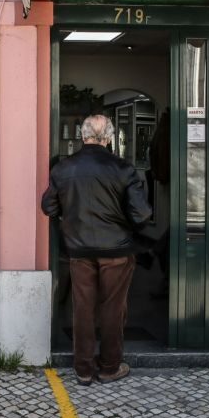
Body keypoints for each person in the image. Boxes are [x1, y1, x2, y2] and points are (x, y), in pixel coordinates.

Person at [41, 114, 152, 385]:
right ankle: (109, 367)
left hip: (78, 250)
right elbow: (141, 215)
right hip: (116, 250)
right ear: (109, 138)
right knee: (113, 309)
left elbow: (49, 207)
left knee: (83, 308)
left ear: (83, 135)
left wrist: (72, 216)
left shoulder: (63, 168)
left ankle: (83, 369)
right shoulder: (124, 169)